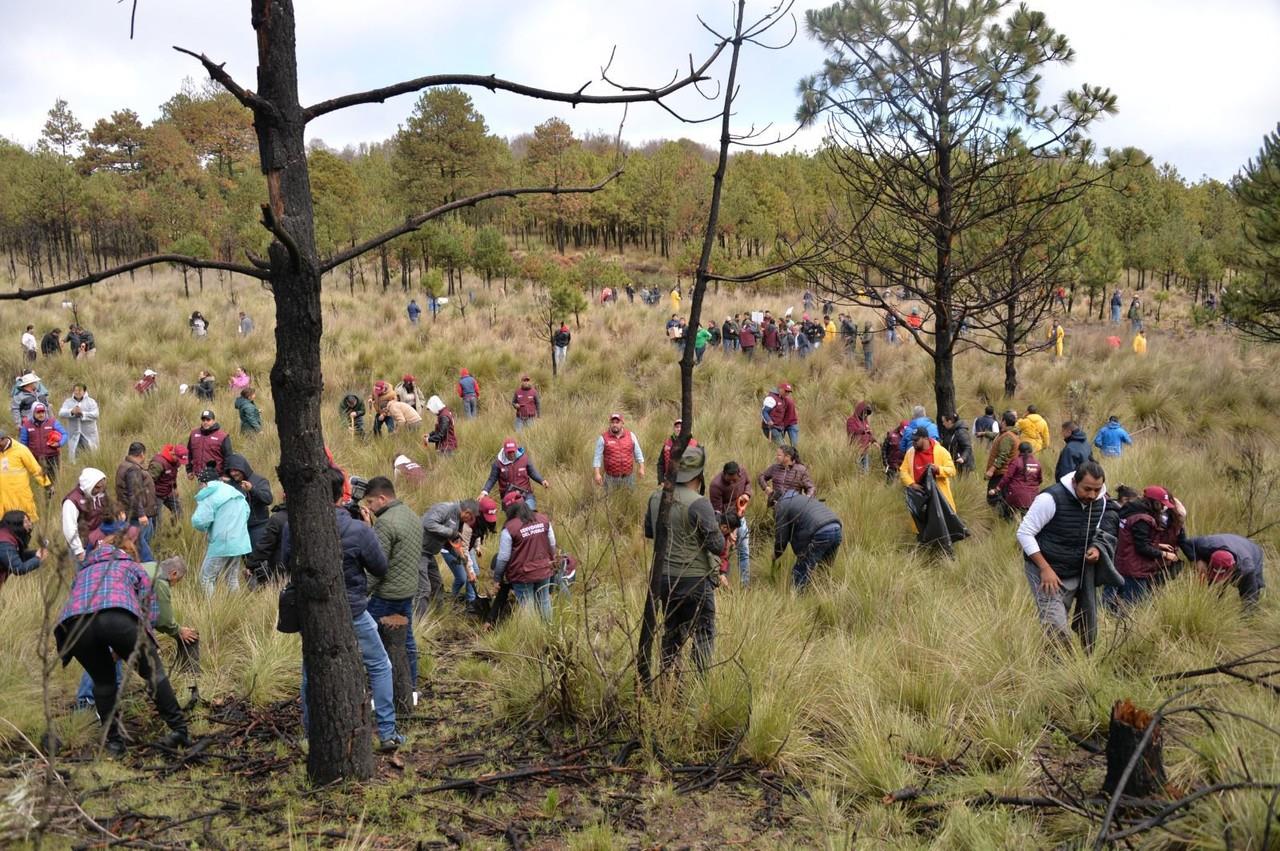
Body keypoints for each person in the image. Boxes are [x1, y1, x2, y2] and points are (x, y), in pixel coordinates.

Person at [285, 469, 403, 751]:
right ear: (342, 495)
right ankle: (387, 732)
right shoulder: (357, 529)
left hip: (312, 613)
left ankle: (310, 733)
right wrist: (367, 527)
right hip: (353, 610)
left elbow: (286, 562)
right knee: (379, 666)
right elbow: (380, 567)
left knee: (310, 671)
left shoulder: (295, 525)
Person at [54, 530, 191, 757]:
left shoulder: (83, 573)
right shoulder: (132, 566)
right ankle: (180, 730)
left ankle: (114, 745)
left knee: (103, 683)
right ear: (127, 551)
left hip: (75, 627)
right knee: (153, 673)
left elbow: (76, 603)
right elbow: (151, 611)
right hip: (118, 618)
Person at [639, 446, 725, 682]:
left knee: (672, 631)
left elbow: (649, 531)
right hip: (694, 580)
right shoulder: (699, 503)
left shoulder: (656, 497)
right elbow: (717, 545)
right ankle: (699, 683)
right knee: (703, 633)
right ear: (698, 476)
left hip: (663, 579)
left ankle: (668, 681)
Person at [1017, 461, 1118, 653]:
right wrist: (1044, 569)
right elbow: (1024, 533)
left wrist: (1096, 549)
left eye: (1097, 490)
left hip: (1075, 573)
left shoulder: (1101, 502)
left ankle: (1047, 662)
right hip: (1044, 571)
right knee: (1056, 625)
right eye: (1087, 489)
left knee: (1059, 620)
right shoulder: (1050, 498)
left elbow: (1098, 532)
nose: (1092, 495)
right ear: (1074, 482)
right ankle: (1068, 669)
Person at [360, 477, 425, 689]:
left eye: (370, 502)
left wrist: (361, 593)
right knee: (407, 644)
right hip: (407, 591)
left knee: (372, 647)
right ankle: (410, 689)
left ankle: (379, 692)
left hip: (386, 595)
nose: (369, 507)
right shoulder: (411, 515)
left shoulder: (386, 523)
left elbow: (377, 567)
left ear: (382, 498)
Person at [1111, 486, 1185, 606]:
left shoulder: (1133, 511)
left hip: (1126, 564)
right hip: (1135, 569)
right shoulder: (1142, 519)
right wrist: (1165, 554)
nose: (1163, 508)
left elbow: (1135, 540)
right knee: (1134, 606)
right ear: (1154, 503)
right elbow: (1141, 547)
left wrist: (1159, 545)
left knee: (1128, 603)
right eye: (1161, 504)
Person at [493, 491, 559, 620]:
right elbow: (552, 544)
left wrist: (497, 577)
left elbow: (503, 558)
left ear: (509, 509)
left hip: (522, 574)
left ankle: (531, 636)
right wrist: (551, 561)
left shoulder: (509, 529)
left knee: (527, 606)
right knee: (545, 601)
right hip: (543, 569)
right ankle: (549, 631)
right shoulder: (543, 520)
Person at [191, 467, 251, 596]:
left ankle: (210, 610)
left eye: (200, 483)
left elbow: (199, 521)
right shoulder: (234, 491)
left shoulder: (209, 494)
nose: (200, 487)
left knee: (206, 578)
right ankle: (237, 608)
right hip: (239, 541)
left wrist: (207, 528)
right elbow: (247, 512)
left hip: (222, 542)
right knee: (232, 578)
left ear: (204, 483)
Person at [418, 499, 481, 614]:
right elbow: (429, 524)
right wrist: (451, 532)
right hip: (418, 550)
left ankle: (438, 614)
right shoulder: (445, 509)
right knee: (424, 589)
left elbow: (449, 544)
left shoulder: (458, 520)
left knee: (437, 584)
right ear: (467, 513)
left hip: (429, 553)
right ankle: (419, 620)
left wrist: (460, 558)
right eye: (470, 518)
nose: (469, 522)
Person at [774, 490, 842, 590]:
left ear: (775, 502)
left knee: (801, 570)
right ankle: (824, 595)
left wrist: (776, 554)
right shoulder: (802, 498)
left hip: (821, 531)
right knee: (824, 569)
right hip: (837, 528)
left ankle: (797, 600)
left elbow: (781, 538)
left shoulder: (782, 505)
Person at [1182, 533, 1266, 607]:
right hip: (1225, 541)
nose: (1219, 580)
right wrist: (1197, 560)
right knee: (1214, 585)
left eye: (1222, 576)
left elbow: (1249, 601)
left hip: (1252, 550)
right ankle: (1215, 605)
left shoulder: (1246, 568)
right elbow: (1185, 543)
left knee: (1252, 594)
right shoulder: (1205, 545)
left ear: (1233, 568)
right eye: (1215, 574)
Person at [224, 454, 273, 564]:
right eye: (230, 471)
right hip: (239, 529)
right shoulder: (231, 484)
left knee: (260, 559)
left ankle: (265, 580)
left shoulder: (260, 480)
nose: (233, 473)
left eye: (236, 470)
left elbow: (268, 499)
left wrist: (252, 489)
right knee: (246, 562)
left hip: (259, 526)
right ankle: (250, 580)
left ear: (243, 468)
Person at [709, 461, 752, 587]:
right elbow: (718, 513)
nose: (733, 483)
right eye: (730, 480)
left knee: (744, 551)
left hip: (740, 518)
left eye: (735, 480)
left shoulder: (743, 472)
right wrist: (729, 531)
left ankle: (745, 585)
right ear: (725, 474)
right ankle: (722, 582)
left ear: (739, 473)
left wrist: (747, 494)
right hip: (725, 523)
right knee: (724, 551)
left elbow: (748, 484)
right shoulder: (716, 485)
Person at [116, 443, 159, 562]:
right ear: (142, 454)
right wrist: (141, 514)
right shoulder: (132, 469)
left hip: (132, 513)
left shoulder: (124, 465)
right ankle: (147, 568)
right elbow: (134, 493)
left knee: (139, 543)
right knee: (141, 545)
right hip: (137, 515)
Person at [900, 427, 958, 513]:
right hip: (920, 498)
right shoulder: (910, 453)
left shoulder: (941, 451)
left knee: (943, 524)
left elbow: (952, 470)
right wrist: (911, 484)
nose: (913, 443)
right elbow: (903, 471)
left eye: (916, 440)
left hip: (940, 498)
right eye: (912, 440)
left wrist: (938, 469)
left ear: (926, 438)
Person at [481, 439, 550, 509]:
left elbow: (532, 472)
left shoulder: (524, 458)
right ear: (504, 451)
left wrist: (542, 481)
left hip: (526, 494)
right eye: (509, 452)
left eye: (513, 452)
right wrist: (484, 492)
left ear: (516, 450)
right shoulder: (498, 463)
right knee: (515, 516)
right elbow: (491, 479)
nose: (511, 454)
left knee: (529, 512)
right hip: (508, 497)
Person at [62, 468, 108, 564]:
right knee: (81, 576)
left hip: (99, 543)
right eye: (98, 487)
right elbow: (69, 528)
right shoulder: (72, 501)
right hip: (83, 547)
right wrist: (79, 551)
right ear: (89, 485)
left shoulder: (100, 494)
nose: (100, 490)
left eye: (102, 487)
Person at [593, 413, 645, 490]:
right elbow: (597, 457)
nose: (614, 425)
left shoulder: (631, 435)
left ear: (622, 423)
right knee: (609, 500)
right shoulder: (603, 438)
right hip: (610, 478)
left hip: (628, 477)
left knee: (630, 500)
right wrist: (597, 474)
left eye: (617, 422)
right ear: (610, 424)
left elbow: (638, 453)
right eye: (612, 422)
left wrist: (641, 468)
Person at [991, 442, 1042, 519]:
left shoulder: (1016, 462)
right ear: (1031, 450)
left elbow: (1007, 477)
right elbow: (1040, 480)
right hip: (1032, 497)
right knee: (1027, 520)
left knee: (1008, 516)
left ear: (1019, 451)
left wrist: (997, 488)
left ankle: (1008, 529)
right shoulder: (1037, 463)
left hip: (1016, 496)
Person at [20, 402, 67, 479]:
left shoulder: (53, 422)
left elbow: (64, 434)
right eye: (38, 412)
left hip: (52, 457)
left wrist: (59, 443)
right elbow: (23, 444)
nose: (41, 414)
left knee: (53, 480)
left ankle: (53, 491)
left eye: (43, 412)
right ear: (33, 413)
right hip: (34, 458)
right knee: (38, 479)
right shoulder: (26, 425)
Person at [984, 411, 1021, 507]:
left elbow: (1002, 456)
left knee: (993, 498)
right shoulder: (1012, 434)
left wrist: (991, 470)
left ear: (1003, 421)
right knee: (1001, 497)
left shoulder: (1007, 436)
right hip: (1006, 472)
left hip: (1001, 473)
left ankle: (996, 517)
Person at [149, 444, 188, 530]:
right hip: (156, 494)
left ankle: (175, 532)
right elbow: (149, 481)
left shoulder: (176, 462)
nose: (180, 462)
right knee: (157, 522)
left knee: (179, 512)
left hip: (168, 492)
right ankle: (156, 541)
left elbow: (172, 476)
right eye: (179, 459)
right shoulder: (158, 463)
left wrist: (175, 488)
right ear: (173, 454)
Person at [0, 509, 44, 586]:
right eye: (26, 522)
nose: (30, 524)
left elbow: (16, 556)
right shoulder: (5, 543)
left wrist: (34, 554)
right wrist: (37, 558)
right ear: (17, 525)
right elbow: (19, 568)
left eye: (29, 521)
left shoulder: (6, 535)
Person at [57, 384, 99, 461]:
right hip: (74, 434)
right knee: (75, 457)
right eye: (75, 390)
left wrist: (82, 413)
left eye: (79, 391)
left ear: (84, 391)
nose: (77, 392)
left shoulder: (91, 402)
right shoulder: (68, 402)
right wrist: (71, 412)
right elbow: (61, 413)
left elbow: (96, 414)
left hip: (88, 435)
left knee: (91, 455)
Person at [187, 410, 232, 478]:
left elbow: (228, 457)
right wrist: (189, 470)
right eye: (203, 420)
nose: (205, 422)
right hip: (200, 476)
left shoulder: (223, 436)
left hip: (217, 477)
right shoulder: (194, 434)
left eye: (208, 420)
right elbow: (188, 453)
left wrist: (226, 474)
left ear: (213, 421)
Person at [846, 401, 875, 473]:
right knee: (856, 470)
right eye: (864, 412)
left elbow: (869, 433)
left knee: (866, 471)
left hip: (865, 451)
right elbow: (852, 430)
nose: (865, 414)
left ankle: (864, 483)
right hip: (856, 450)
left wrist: (873, 441)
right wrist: (863, 431)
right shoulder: (851, 420)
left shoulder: (865, 422)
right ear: (860, 411)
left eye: (867, 413)